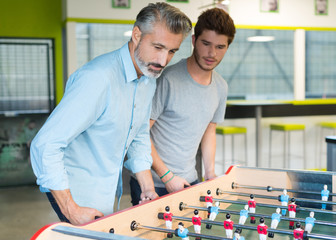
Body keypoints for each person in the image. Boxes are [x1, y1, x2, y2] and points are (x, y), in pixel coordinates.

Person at [30, 2, 192, 225]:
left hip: (108, 191)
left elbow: (139, 134)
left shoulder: (148, 78)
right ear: (136, 34)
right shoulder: (97, 78)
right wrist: (71, 210)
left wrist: (147, 188)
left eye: (172, 51)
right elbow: (45, 144)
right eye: (158, 47)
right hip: (76, 194)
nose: (163, 61)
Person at [129, 7, 235, 205]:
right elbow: (139, 134)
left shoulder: (221, 86)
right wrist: (168, 176)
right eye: (206, 43)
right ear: (194, 41)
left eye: (220, 47)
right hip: (153, 183)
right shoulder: (166, 79)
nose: (212, 53)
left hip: (189, 180)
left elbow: (209, 130)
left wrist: (210, 172)